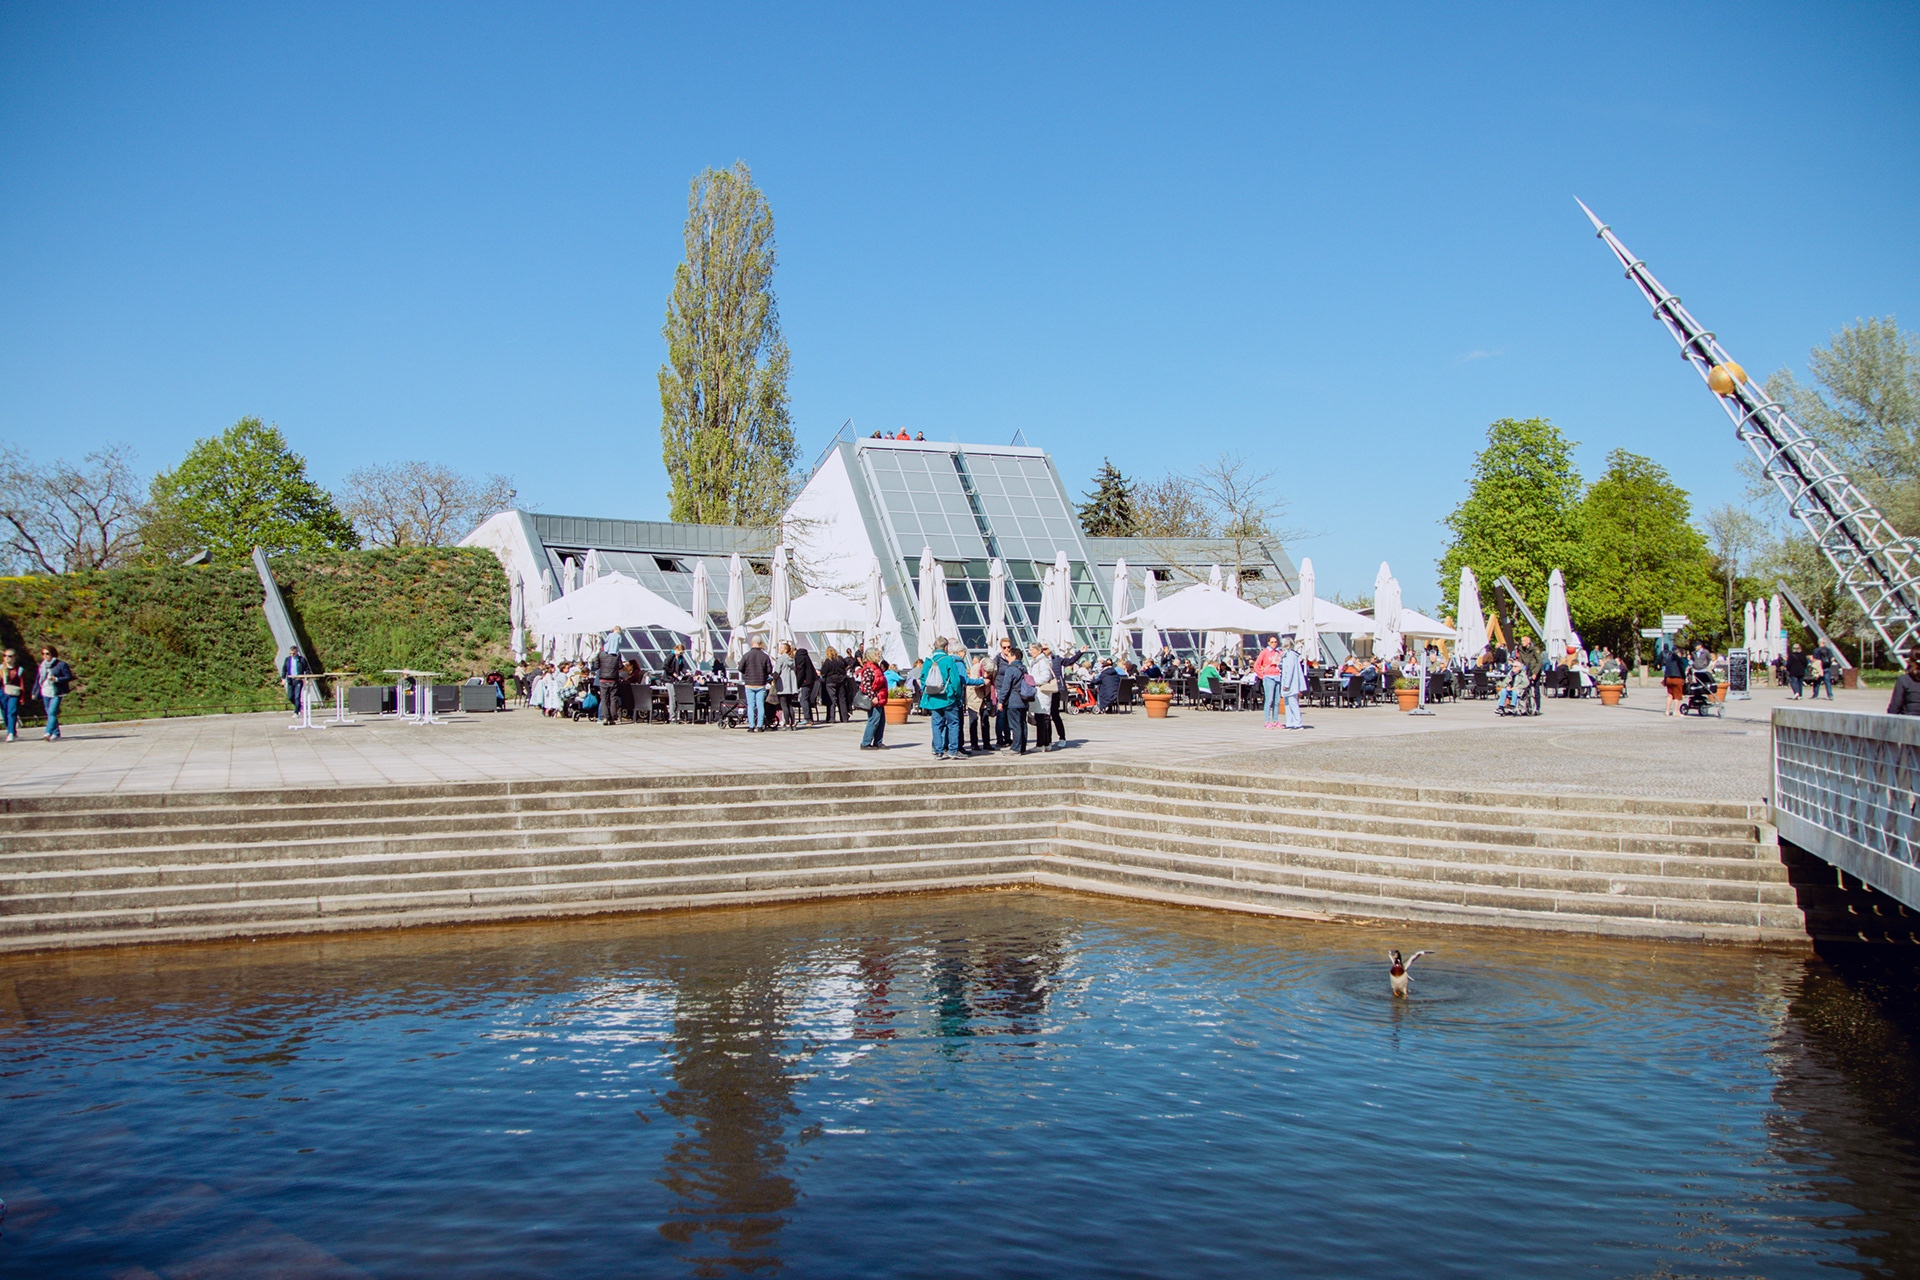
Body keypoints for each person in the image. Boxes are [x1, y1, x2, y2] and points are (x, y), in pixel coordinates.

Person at [920, 638, 982, 760]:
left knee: (937, 725)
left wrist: (928, 690)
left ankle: (938, 751)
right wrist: (957, 695)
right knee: (953, 723)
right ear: (946, 647)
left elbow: (923, 678)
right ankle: (953, 750)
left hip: (933, 698)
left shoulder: (928, 661)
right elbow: (955, 680)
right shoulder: (949, 660)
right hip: (948, 697)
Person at [997, 644, 1033, 754]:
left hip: (1014, 701)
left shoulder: (1011, 669)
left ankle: (1016, 748)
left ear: (1014, 657)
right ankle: (1022, 747)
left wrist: (1001, 701)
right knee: (1023, 724)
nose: (1007, 658)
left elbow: (1006, 687)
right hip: (1024, 700)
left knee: (1015, 725)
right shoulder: (1023, 668)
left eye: (1008, 656)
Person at [36, 644, 73, 741]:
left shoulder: (61, 665)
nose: (45, 656)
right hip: (45, 691)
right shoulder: (42, 665)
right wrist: (34, 691)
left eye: (47, 653)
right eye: (43, 653)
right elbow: (38, 679)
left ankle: (48, 732)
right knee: (49, 713)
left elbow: (68, 677)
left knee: (52, 712)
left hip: (57, 692)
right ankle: (56, 733)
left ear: (52, 654)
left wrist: (56, 679)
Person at [856, 647, 890, 748]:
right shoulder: (869, 668)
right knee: (874, 720)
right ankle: (865, 743)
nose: (879, 655)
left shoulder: (876, 667)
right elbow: (866, 685)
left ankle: (878, 741)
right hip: (875, 698)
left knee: (881, 721)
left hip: (880, 697)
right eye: (877, 653)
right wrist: (873, 696)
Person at [740, 637, 774, 732]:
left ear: (751, 643)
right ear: (760, 643)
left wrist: (747, 672)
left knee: (750, 705)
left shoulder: (746, 655)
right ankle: (760, 726)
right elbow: (769, 670)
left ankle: (751, 726)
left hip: (749, 683)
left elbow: (740, 668)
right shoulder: (765, 656)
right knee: (760, 705)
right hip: (760, 683)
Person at [1253, 635, 1285, 728]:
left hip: (1278, 677)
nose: (1274, 644)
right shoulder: (1264, 652)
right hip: (1269, 677)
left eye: (1275, 642)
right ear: (1268, 643)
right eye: (1272, 642)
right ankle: (1267, 721)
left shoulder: (1279, 652)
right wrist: (1262, 676)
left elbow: (1283, 663)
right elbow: (1257, 665)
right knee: (1269, 700)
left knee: (1277, 700)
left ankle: (1276, 720)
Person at [968, 653, 996, 751]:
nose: (989, 673)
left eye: (990, 672)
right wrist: (983, 679)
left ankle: (987, 743)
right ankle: (974, 743)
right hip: (975, 697)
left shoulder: (993, 669)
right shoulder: (975, 668)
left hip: (986, 696)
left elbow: (994, 682)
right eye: (987, 671)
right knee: (973, 720)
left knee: (985, 720)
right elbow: (973, 684)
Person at [1281, 639, 1309, 729]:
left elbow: (1289, 671)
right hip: (1289, 683)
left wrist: (1286, 684)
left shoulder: (1290, 656)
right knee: (1287, 704)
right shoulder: (1287, 655)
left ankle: (1298, 722)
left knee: (1293, 703)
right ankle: (1290, 722)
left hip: (1291, 683)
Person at [773, 640, 799, 730]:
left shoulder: (781, 659)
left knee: (784, 705)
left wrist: (772, 678)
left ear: (784, 650)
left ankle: (787, 724)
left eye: (780, 648)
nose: (779, 649)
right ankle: (793, 723)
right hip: (791, 686)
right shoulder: (791, 659)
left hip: (782, 685)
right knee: (789, 704)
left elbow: (777, 672)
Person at [820, 647, 848, 724]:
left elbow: (823, 672)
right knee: (842, 699)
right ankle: (844, 717)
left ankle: (831, 718)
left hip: (830, 681)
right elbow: (847, 665)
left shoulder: (828, 661)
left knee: (831, 700)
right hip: (841, 680)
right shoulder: (840, 659)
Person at [1661, 638, 1688, 716]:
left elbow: (1666, 670)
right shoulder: (1679, 660)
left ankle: (1667, 711)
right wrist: (1684, 678)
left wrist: (1665, 679)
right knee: (1677, 696)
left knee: (1669, 695)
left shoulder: (1668, 660)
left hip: (1669, 679)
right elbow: (1682, 669)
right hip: (1677, 678)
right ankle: (1676, 711)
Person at [1, 648, 23, 742]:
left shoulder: (19, 670)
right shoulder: (1, 668)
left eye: (10, 656)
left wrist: (22, 698)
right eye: (5, 656)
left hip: (14, 692)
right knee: (4, 713)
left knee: (11, 712)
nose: (7, 658)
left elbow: (22, 684)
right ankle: (12, 730)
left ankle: (10, 733)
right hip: (2, 692)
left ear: (14, 657)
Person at [794, 645, 819, 723]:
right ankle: (809, 718)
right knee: (807, 699)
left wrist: (797, 683)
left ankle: (807, 718)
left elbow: (801, 671)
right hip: (811, 680)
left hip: (805, 681)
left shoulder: (799, 657)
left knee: (803, 699)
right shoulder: (806, 656)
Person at [281, 644, 309, 710]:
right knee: (290, 697)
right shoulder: (287, 659)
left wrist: (307, 679)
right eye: (290, 653)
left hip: (298, 680)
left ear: (297, 652)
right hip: (290, 680)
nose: (292, 655)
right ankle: (298, 706)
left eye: (293, 653)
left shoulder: (301, 659)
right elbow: (284, 669)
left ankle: (296, 712)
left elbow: (307, 669)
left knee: (297, 697)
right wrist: (283, 678)